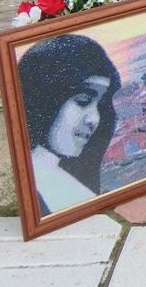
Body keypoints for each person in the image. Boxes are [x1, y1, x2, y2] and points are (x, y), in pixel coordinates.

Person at [18, 35, 121, 216]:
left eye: (100, 105)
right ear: (46, 100)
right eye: (83, 100)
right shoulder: (36, 181)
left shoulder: (59, 177)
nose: (94, 119)